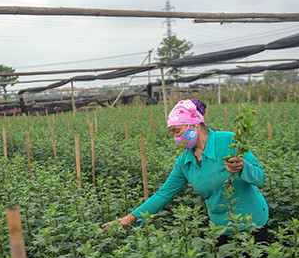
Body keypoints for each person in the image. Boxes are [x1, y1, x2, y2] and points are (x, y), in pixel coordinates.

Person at [101, 99, 269, 244]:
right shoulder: (185, 162)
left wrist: (243, 167)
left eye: (177, 131)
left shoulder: (229, 141)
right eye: (173, 133)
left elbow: (260, 177)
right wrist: (130, 218)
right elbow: (164, 194)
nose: (176, 138)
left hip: (251, 224)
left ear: (194, 124)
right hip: (220, 228)